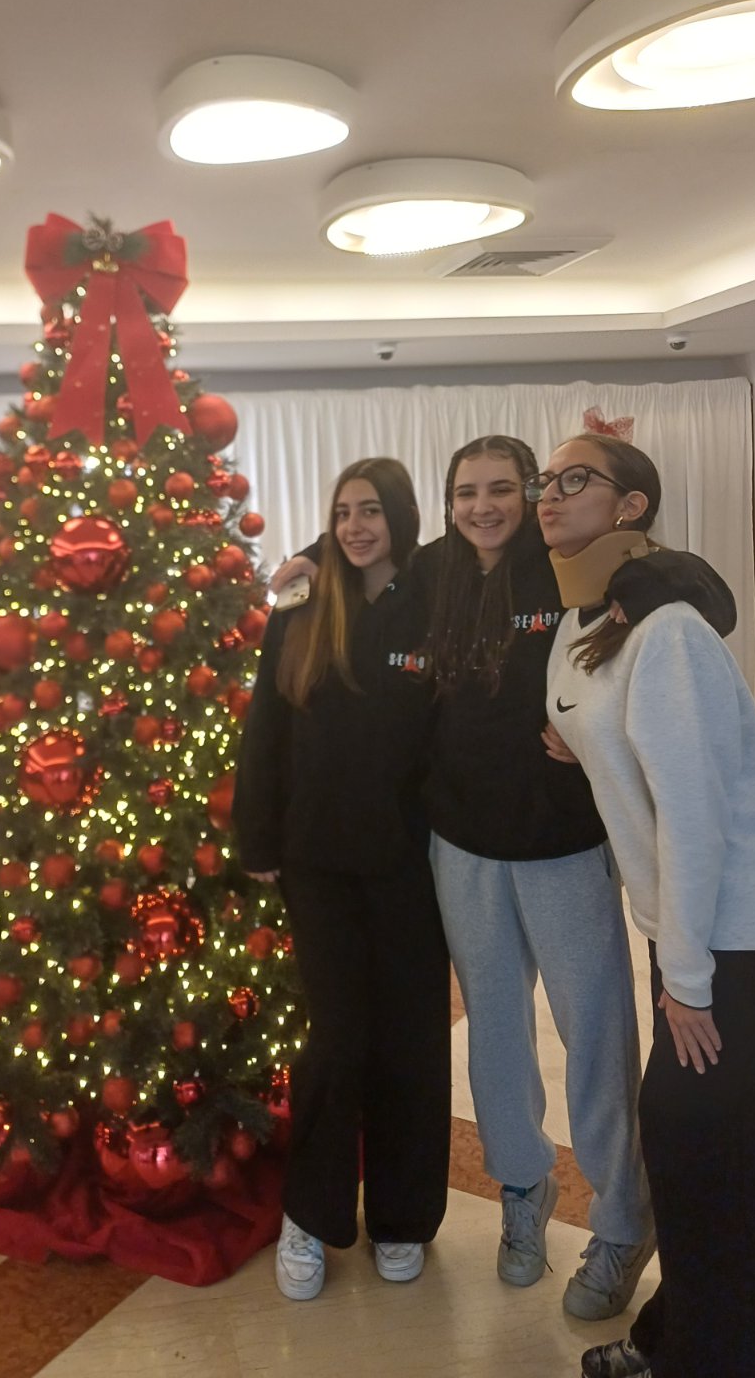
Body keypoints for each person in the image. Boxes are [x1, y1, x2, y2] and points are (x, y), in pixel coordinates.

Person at [272, 435, 734, 1322]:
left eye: (500, 490)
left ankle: (620, 1220)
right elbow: (366, 546)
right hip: (461, 848)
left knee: (594, 1036)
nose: (482, 507)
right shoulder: (435, 569)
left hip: (562, 847)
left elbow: (699, 594)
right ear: (448, 505)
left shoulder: (566, 562)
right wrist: (315, 555)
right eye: (464, 493)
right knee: (495, 1040)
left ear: (529, 494)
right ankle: (523, 1191)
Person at [533, 435, 755, 1378]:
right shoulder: (587, 615)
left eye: (574, 480)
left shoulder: (665, 630)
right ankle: (684, 1340)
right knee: (705, 1156)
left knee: (715, 1155)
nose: (549, 496)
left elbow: (695, 818)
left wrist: (688, 982)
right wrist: (579, 741)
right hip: (694, 922)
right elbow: (589, 711)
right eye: (546, 481)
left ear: (631, 508)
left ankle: (723, 1356)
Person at [234, 459, 450, 1301]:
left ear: (401, 516)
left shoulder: (432, 598)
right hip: (317, 861)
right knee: (336, 1040)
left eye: (372, 512)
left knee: (411, 1039)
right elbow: (265, 723)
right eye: (343, 513)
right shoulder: (302, 602)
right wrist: (257, 833)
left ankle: (403, 1218)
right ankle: (311, 1214)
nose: (356, 527)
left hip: (410, 864)